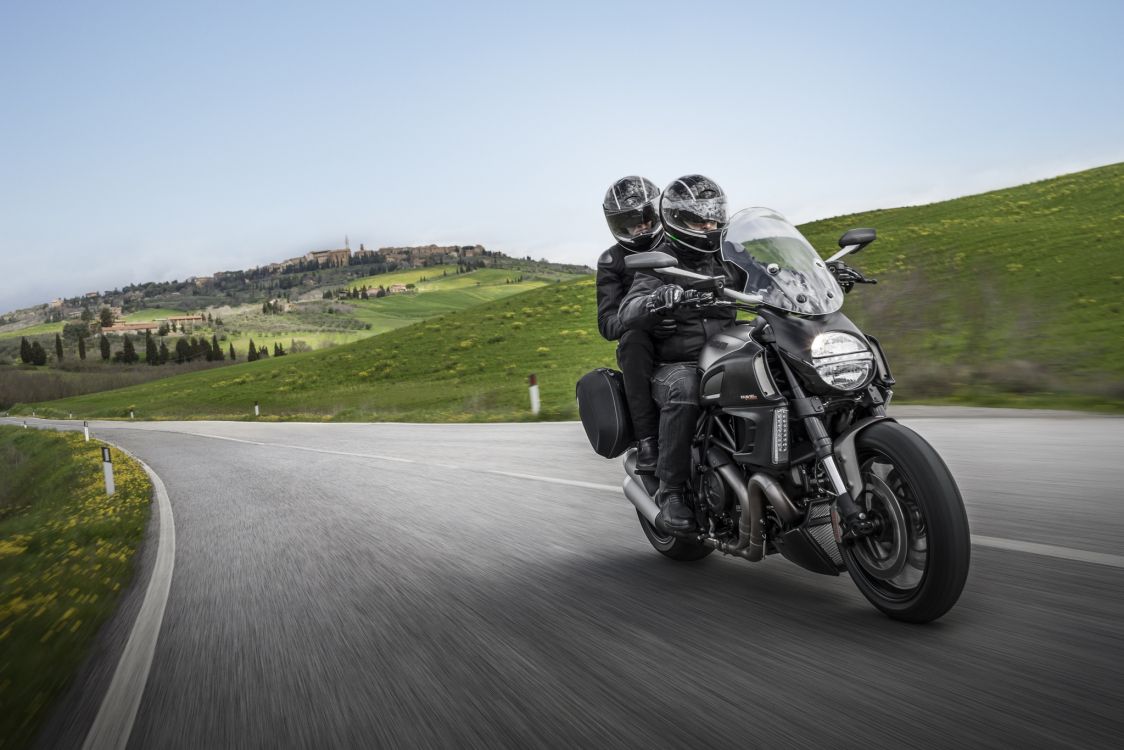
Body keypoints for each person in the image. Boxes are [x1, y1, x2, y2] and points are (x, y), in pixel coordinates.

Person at [618, 174, 736, 534]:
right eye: (700, 219)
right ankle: (672, 493)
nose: (709, 225)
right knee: (685, 389)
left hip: (727, 354)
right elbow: (628, 309)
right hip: (676, 364)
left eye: (714, 217)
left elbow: (771, 274)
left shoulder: (729, 255)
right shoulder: (662, 261)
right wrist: (656, 299)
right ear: (678, 221)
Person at [596, 176, 672, 474]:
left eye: (645, 217)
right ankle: (648, 441)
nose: (640, 226)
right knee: (633, 343)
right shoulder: (612, 260)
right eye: (630, 222)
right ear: (617, 225)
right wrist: (645, 320)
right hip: (645, 343)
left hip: (690, 324)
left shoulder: (679, 242)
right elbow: (607, 323)